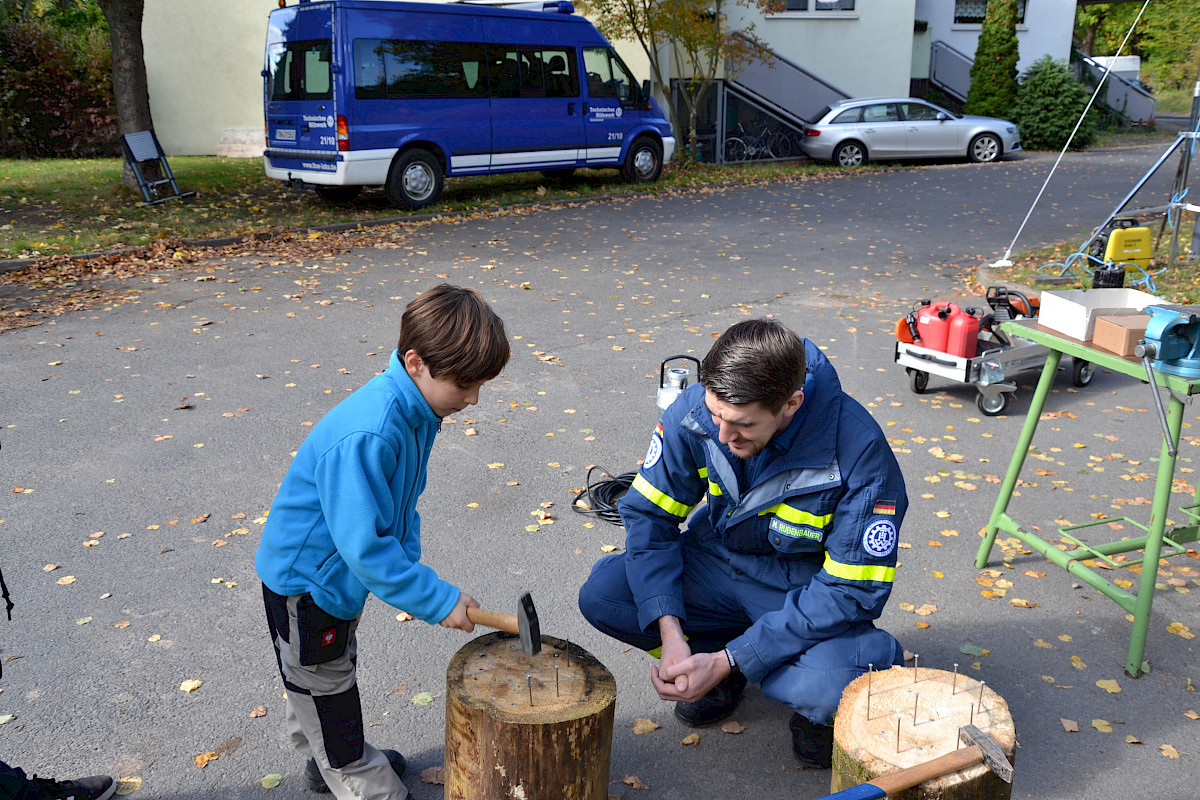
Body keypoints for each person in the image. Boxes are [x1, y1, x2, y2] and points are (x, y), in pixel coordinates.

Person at [578, 318, 908, 768]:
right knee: (605, 595)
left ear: (791, 404)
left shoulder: (859, 452)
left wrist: (734, 657)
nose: (723, 435)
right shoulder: (698, 413)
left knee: (828, 686)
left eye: (743, 425)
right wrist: (673, 636)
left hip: (797, 594)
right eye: (717, 415)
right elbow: (650, 519)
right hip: (715, 563)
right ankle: (715, 670)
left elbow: (849, 589)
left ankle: (825, 705)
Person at [255, 284, 510, 800]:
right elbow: (365, 548)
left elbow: (401, 504)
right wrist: (434, 598)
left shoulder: (418, 412)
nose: (473, 398)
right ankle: (349, 770)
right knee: (325, 684)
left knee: (324, 674)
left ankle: (321, 759)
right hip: (307, 587)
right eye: (464, 384)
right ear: (416, 362)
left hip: (333, 579)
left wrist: (412, 577)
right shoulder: (372, 432)